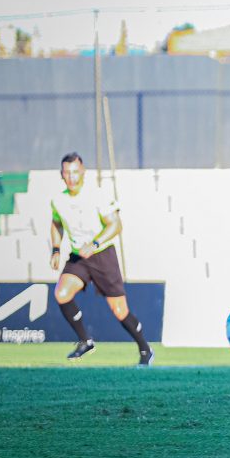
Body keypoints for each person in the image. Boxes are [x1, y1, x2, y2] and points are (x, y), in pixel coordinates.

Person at [49, 152, 153, 365]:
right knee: (62, 293)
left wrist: (95, 243)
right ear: (61, 175)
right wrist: (56, 250)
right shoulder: (58, 200)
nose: (72, 177)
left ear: (83, 172)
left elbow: (116, 224)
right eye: (67, 173)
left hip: (102, 255)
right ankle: (85, 341)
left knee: (119, 311)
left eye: (76, 172)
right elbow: (56, 223)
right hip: (79, 256)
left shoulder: (96, 195)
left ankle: (145, 349)